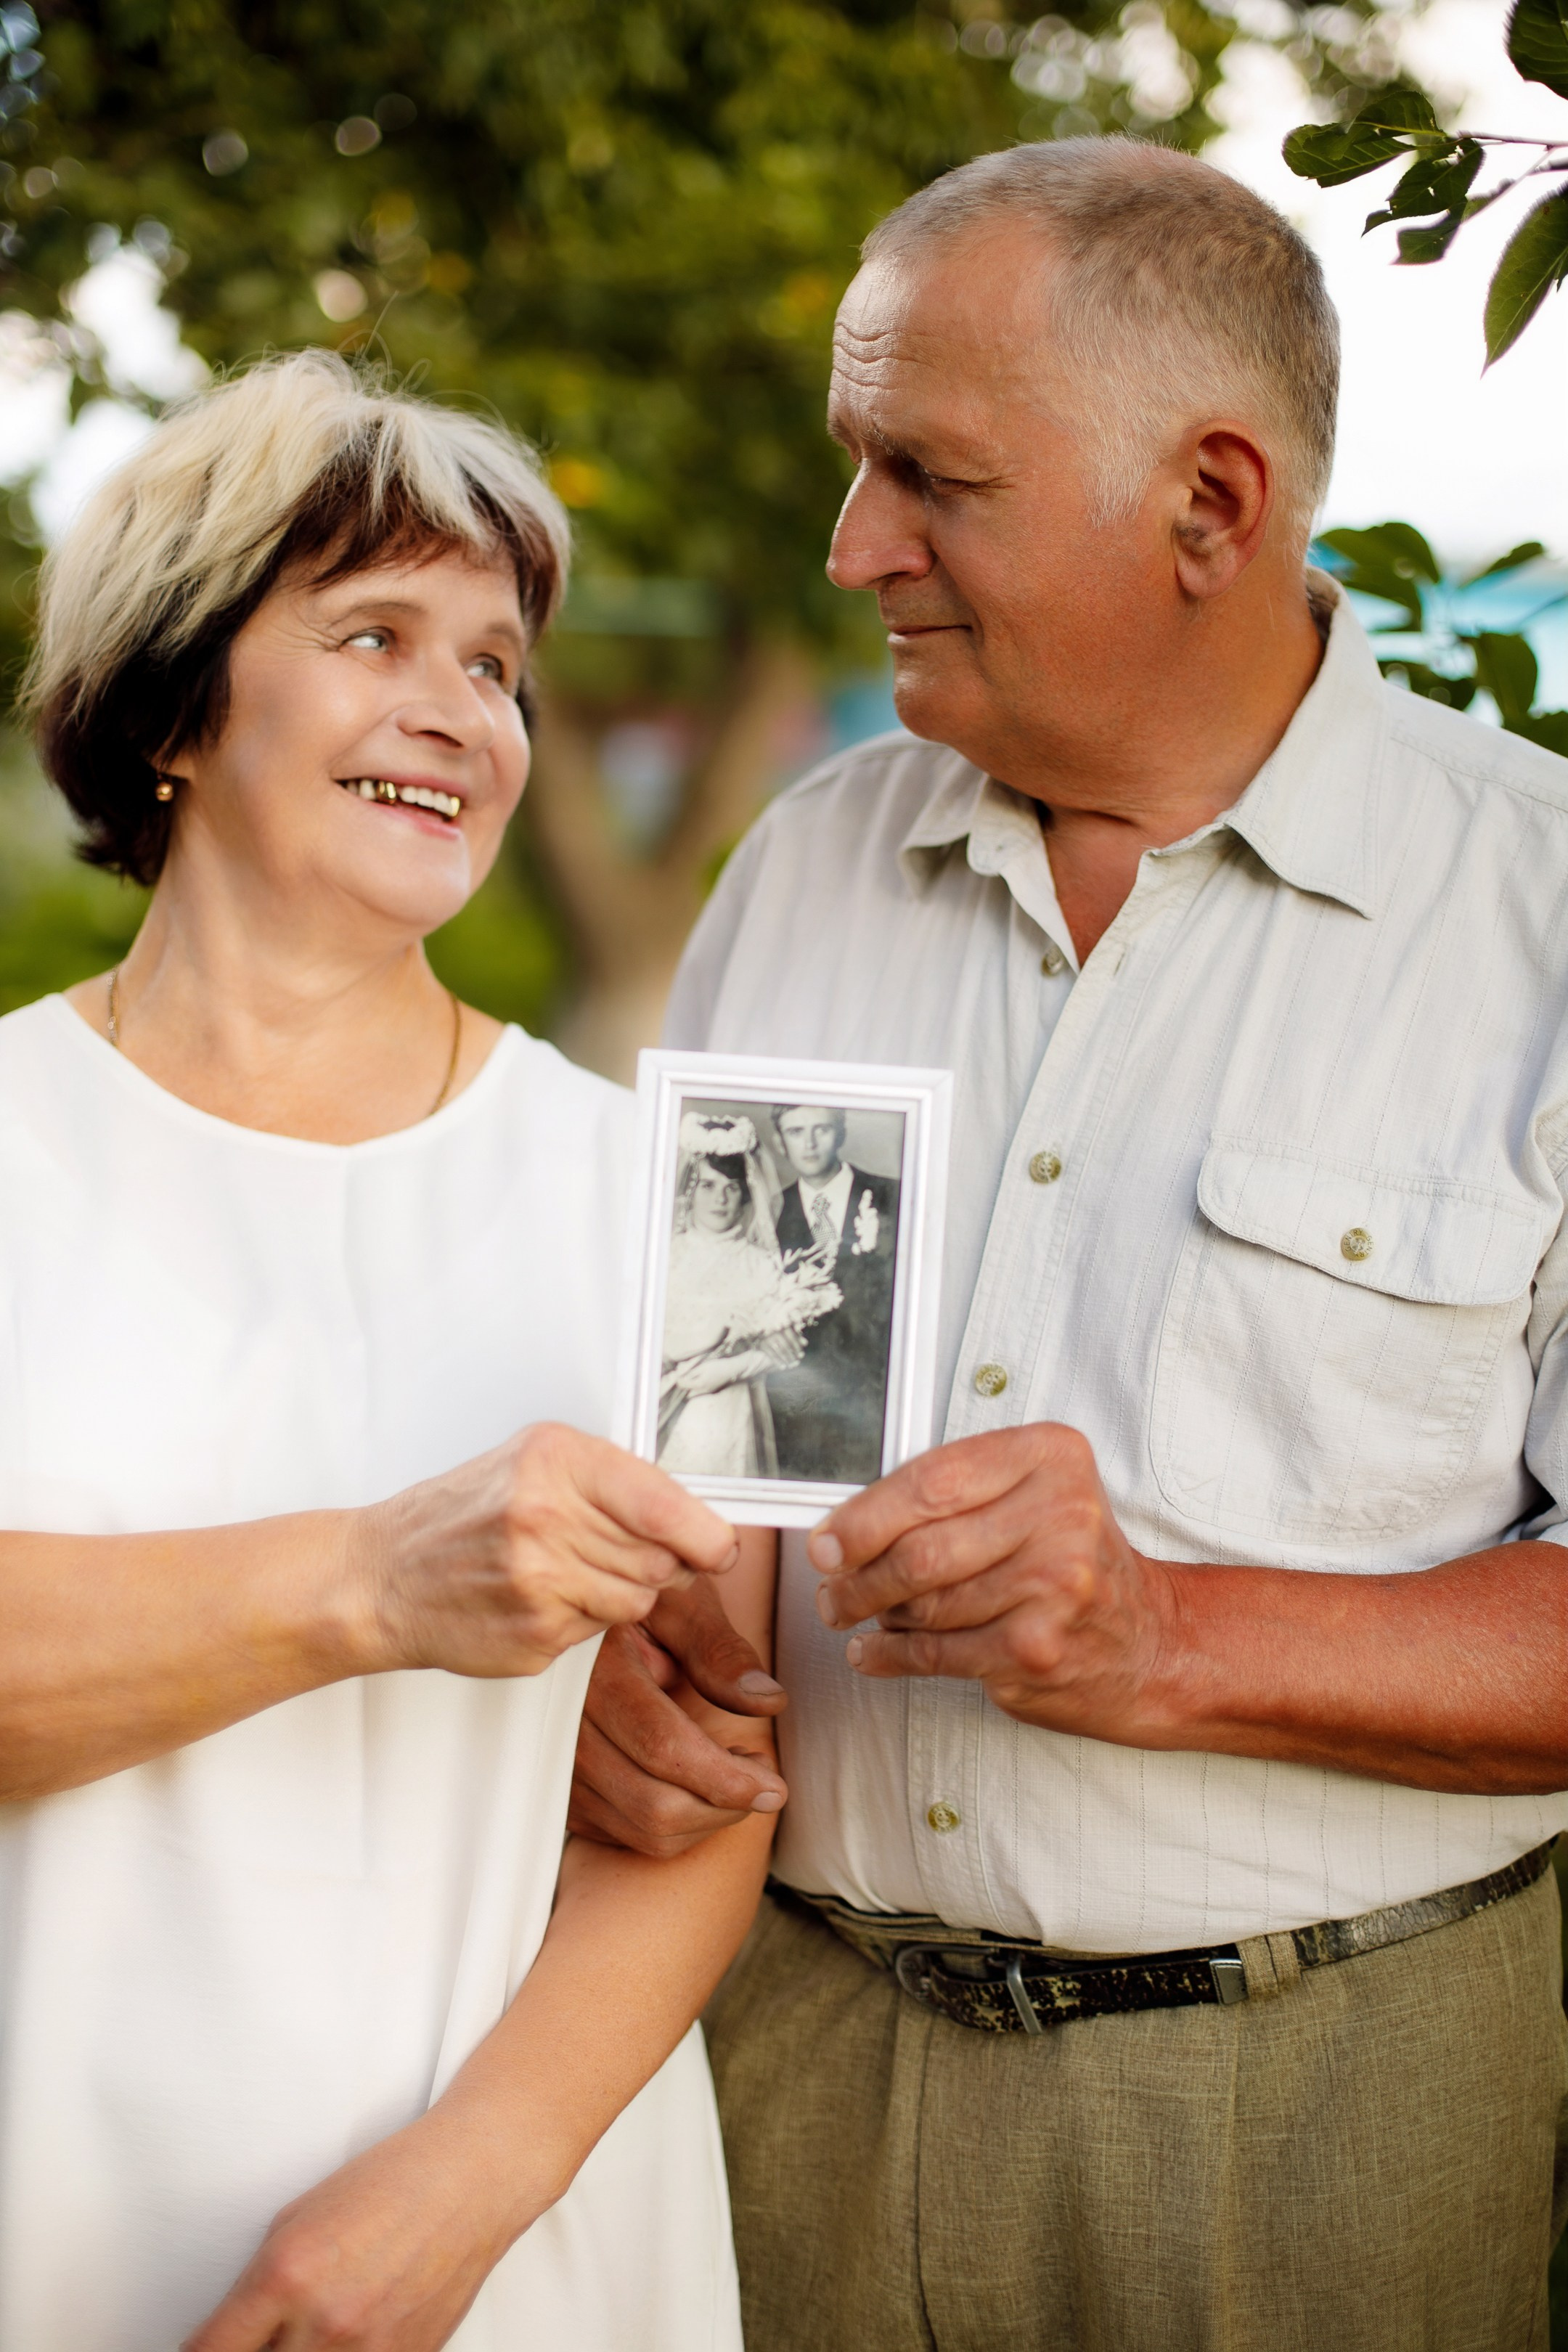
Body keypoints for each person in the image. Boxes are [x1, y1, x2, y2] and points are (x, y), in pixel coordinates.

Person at [568, 140, 1568, 2351]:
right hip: (786, 2059)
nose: (855, 552)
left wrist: (1162, 1639)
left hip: (1322, 2114)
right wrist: (648, 1675)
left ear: (1211, 504)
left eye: (929, 475)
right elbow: (740, 1438)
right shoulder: (808, 867)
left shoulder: (1544, 920)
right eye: (858, 471)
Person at [0, 350, 787, 2352]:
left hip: (522, 2256)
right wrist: (372, 1576)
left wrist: (448, 2215)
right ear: (176, 702)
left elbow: (722, 1782)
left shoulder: (716, 1202)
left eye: (498, 665)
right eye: (376, 635)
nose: (461, 712)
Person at [658, 1116, 807, 1478]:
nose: (719, 1199)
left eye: (732, 1188)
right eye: (707, 1186)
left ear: (747, 1194)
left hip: (731, 1409)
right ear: (689, 1190)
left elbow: (790, 1348)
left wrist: (729, 1370)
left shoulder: (762, 1265)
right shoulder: (666, 1256)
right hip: (664, 1406)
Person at [766, 1105, 898, 1483]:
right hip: (800, 1407)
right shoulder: (768, 1213)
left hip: (880, 1396)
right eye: (795, 1132)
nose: (808, 1144)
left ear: (841, 1133)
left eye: (821, 1129)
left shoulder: (895, 1195)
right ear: (778, 1141)